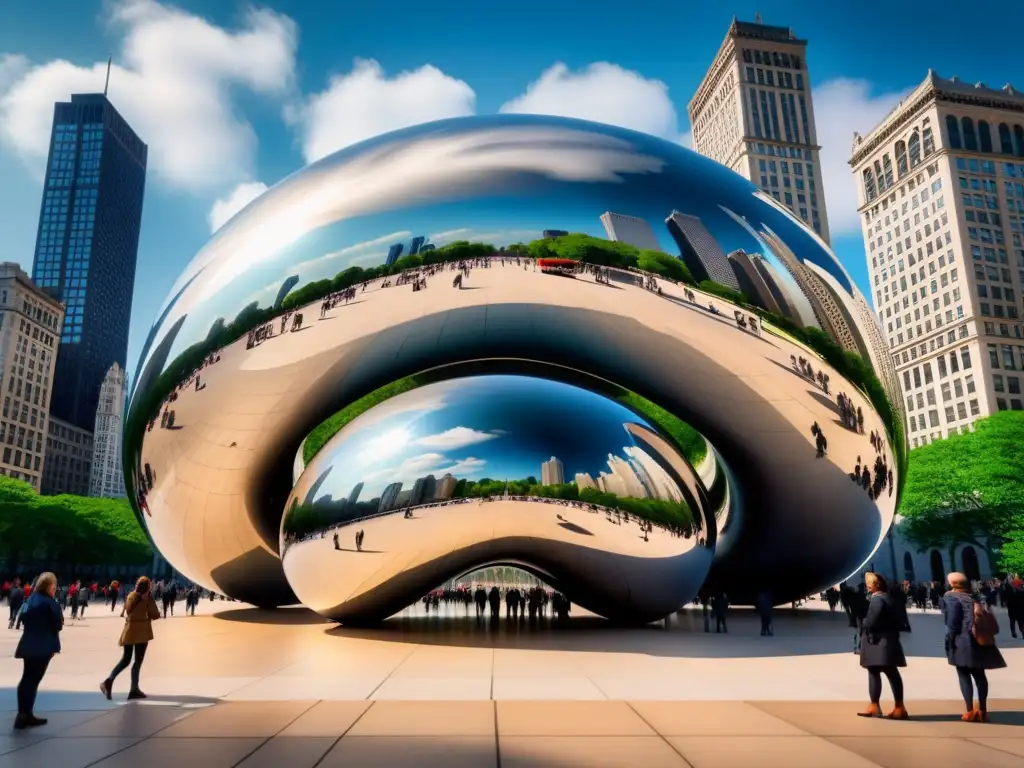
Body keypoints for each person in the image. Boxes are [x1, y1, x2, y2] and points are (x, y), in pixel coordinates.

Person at [942, 572, 1007, 722]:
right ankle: (982, 710)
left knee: (964, 675)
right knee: (980, 675)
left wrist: (948, 643)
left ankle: (970, 710)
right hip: (979, 640)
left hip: (962, 641)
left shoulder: (951, 597)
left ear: (952, 584)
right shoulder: (973, 597)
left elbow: (952, 624)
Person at [14, 572, 63, 730]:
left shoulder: (30, 599)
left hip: (28, 643)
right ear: (49, 587)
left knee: (26, 678)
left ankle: (24, 713)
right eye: (54, 587)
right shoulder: (50, 603)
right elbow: (58, 624)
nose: (54, 590)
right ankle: (25, 715)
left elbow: (22, 617)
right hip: (44, 646)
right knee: (33, 680)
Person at [100, 576, 161, 701]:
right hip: (142, 632)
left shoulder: (131, 595)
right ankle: (133, 689)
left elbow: (128, 610)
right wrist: (146, 602)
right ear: (148, 587)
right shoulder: (147, 598)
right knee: (137, 661)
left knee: (126, 659)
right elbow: (155, 615)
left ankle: (109, 680)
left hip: (129, 631)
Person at [857, 573, 908, 719]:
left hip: (877, 642)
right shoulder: (890, 598)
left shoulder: (877, 599)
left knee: (873, 671)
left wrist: (863, 622)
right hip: (890, 639)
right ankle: (899, 706)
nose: (867, 586)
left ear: (875, 585)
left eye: (869, 583)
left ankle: (874, 706)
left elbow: (872, 620)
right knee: (892, 673)